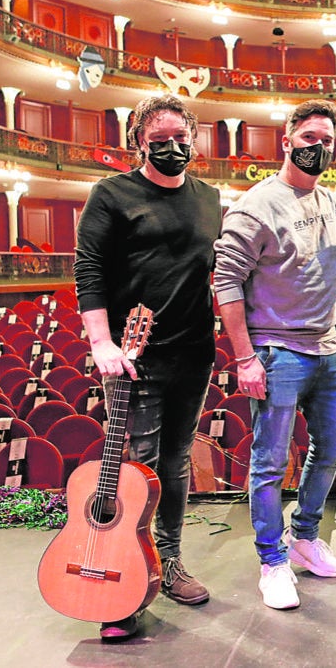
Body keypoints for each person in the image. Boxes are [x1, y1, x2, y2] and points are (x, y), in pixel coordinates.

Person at [73, 94, 222, 639]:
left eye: (181, 139)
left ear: (196, 139)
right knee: (136, 466)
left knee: (177, 460)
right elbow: (88, 269)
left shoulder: (210, 197)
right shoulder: (111, 194)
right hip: (132, 357)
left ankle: (169, 561)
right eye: (159, 142)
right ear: (138, 141)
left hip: (193, 352)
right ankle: (121, 576)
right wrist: (102, 344)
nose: (173, 149)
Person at [213, 99, 336, 610]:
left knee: (333, 447)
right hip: (277, 351)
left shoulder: (332, 203)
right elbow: (225, 281)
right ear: (288, 140)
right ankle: (272, 561)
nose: (319, 147)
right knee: (270, 462)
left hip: (327, 347)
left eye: (327, 140)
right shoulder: (257, 204)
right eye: (310, 138)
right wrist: (245, 358)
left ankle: (304, 536)